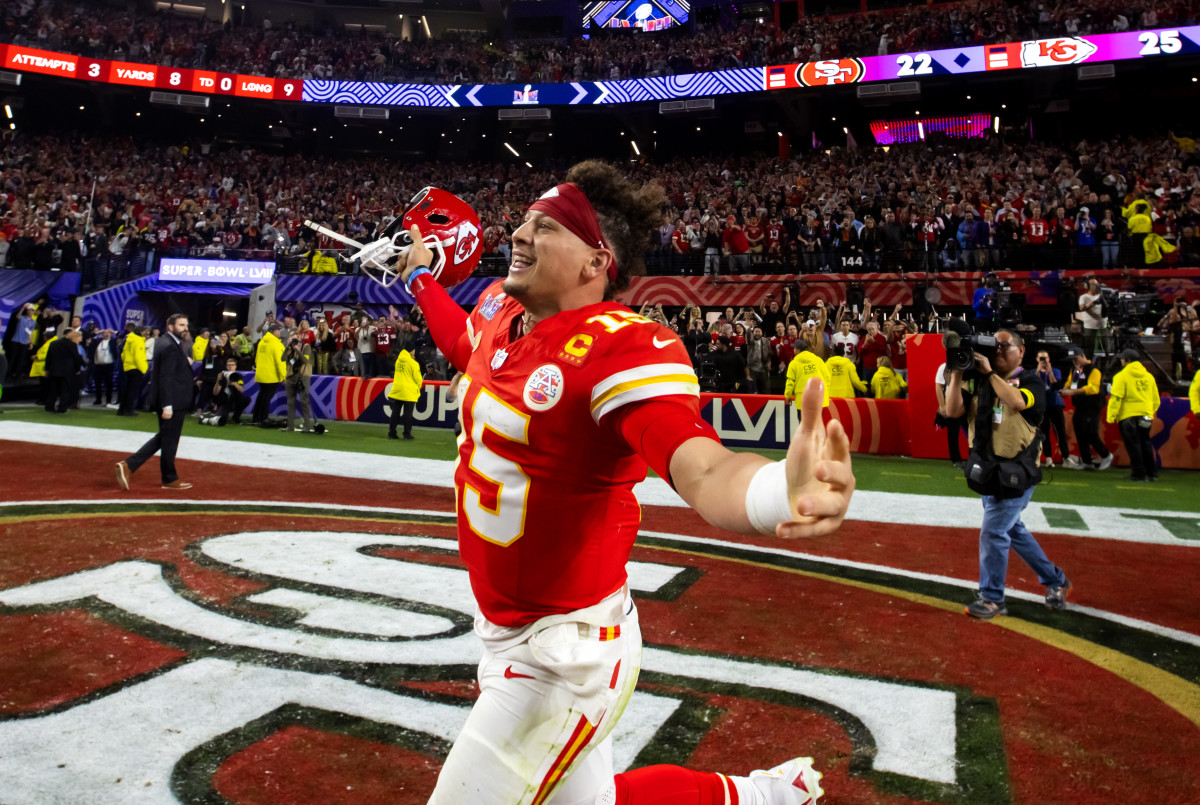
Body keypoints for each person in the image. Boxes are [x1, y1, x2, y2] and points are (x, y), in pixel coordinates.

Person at [397, 161, 852, 805]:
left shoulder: (622, 348)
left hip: (564, 655)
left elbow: (703, 466)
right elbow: (460, 339)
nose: (520, 234)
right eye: (525, 219)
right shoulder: (502, 313)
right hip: (507, 625)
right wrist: (419, 277)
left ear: (595, 262)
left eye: (544, 226)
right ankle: (766, 796)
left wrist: (779, 491)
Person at [944, 329, 1071, 619]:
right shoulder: (978, 381)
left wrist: (989, 374)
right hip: (988, 472)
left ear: (1021, 351)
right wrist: (956, 374)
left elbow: (1017, 402)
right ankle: (1056, 580)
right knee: (1013, 530)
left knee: (994, 531)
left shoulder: (1030, 381)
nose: (998, 351)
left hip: (1017, 473)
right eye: (995, 346)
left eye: (1005, 346)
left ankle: (992, 599)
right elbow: (952, 411)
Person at [116, 314, 195, 491]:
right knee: (169, 439)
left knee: (166, 438)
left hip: (172, 400)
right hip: (173, 401)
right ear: (171, 327)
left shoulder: (166, 342)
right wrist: (167, 405)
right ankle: (132, 466)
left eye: (186, 325)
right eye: (181, 325)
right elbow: (165, 377)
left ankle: (162, 476)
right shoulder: (169, 346)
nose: (185, 328)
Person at [1107, 348, 1160, 482]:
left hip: (1128, 416)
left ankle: (1138, 474)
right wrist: (1149, 412)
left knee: (1133, 445)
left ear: (1128, 360)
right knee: (1145, 443)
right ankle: (1152, 473)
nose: (1121, 360)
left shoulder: (1121, 376)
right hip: (1146, 415)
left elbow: (1116, 398)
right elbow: (1156, 400)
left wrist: (1112, 415)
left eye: (1123, 358)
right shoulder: (1149, 376)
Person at [1061, 348, 1112, 470]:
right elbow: (1069, 383)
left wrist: (1072, 392)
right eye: (1072, 360)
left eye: (1076, 358)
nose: (1074, 362)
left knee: (1090, 432)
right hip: (1080, 405)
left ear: (1083, 356)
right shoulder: (1075, 370)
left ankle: (1106, 455)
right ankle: (1086, 461)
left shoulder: (1094, 370)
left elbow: (1093, 388)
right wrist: (1064, 390)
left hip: (1092, 405)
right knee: (1079, 432)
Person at [1035, 351, 1067, 467]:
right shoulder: (1034, 372)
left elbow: (1056, 386)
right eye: (1041, 358)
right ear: (1037, 359)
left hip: (1055, 403)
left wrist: (1050, 372)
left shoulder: (1056, 371)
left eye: (1045, 358)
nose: (1044, 361)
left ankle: (1065, 457)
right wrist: (1038, 371)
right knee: (1044, 432)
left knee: (1060, 431)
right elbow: (1035, 385)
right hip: (1043, 405)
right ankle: (1048, 457)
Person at [252, 321, 286, 424]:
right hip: (271, 375)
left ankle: (256, 417)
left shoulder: (262, 342)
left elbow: (257, 358)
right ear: (274, 331)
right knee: (267, 397)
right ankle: (263, 418)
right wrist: (284, 375)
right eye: (278, 331)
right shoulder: (276, 344)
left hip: (261, 374)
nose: (280, 333)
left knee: (261, 395)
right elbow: (280, 362)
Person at [387, 343, 423, 439]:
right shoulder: (413, 363)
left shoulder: (399, 360)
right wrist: (418, 387)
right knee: (407, 414)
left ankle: (392, 433)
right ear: (411, 351)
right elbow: (418, 379)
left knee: (395, 413)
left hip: (397, 390)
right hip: (408, 392)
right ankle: (407, 434)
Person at [934, 361, 966, 468]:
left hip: (969, 403)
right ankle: (956, 459)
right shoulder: (945, 367)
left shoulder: (971, 366)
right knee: (953, 432)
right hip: (952, 404)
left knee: (973, 433)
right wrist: (942, 406)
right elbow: (939, 386)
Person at [44, 329, 83, 413]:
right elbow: (76, 358)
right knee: (65, 390)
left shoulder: (53, 343)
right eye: (73, 333)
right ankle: (62, 408)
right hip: (67, 371)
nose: (74, 334)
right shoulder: (72, 345)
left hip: (54, 370)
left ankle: (49, 406)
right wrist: (78, 369)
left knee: (53, 390)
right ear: (68, 333)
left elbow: (48, 357)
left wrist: (47, 369)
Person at [282, 334, 315, 432]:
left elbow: (305, 360)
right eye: (291, 339)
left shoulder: (306, 347)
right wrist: (287, 347)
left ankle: (307, 426)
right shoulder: (290, 348)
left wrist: (297, 349)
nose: (293, 341)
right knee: (290, 402)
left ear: (299, 339)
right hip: (291, 377)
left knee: (304, 401)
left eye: (294, 339)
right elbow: (283, 359)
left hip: (303, 376)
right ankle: (290, 426)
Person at [118, 324, 148, 416]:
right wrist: (144, 369)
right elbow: (138, 357)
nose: (146, 332)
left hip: (127, 367)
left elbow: (123, 354)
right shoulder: (138, 341)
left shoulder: (129, 339)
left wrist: (126, 363)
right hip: (136, 368)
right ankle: (129, 409)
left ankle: (122, 409)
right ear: (140, 332)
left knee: (126, 389)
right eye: (144, 331)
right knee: (133, 391)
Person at [1077, 278, 1108, 358]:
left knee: (1107, 347)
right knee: (1089, 349)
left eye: (1097, 284)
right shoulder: (1084, 297)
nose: (1096, 286)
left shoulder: (1101, 296)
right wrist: (1088, 305)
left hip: (1103, 326)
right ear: (1087, 286)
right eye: (1094, 284)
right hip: (1090, 327)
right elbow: (1081, 308)